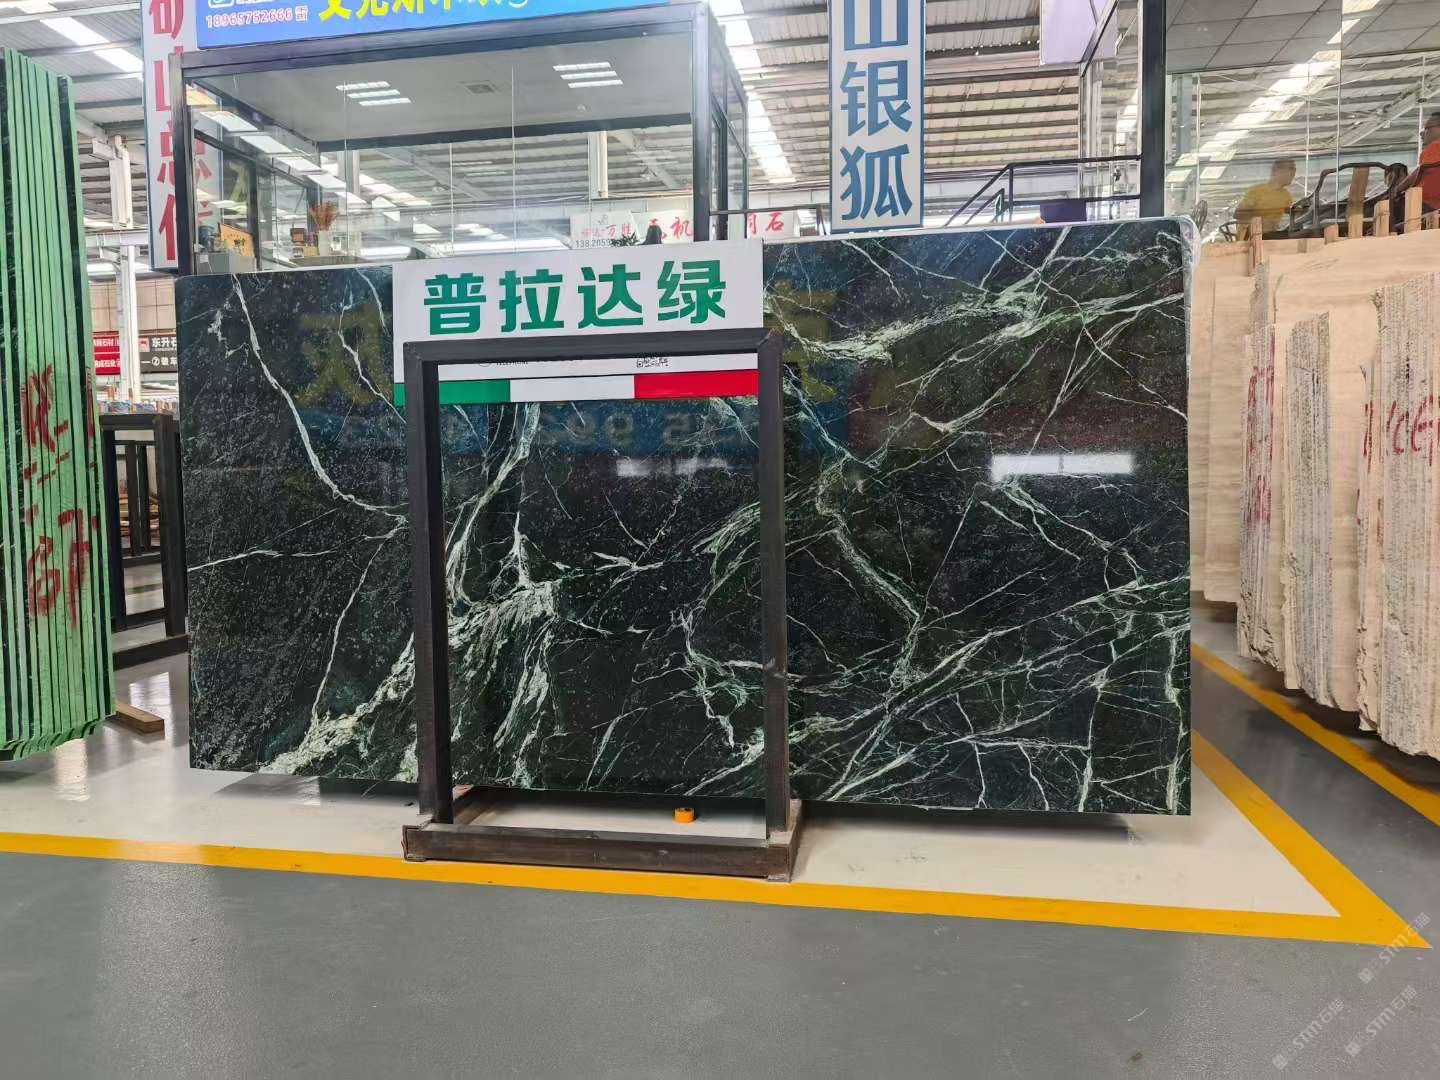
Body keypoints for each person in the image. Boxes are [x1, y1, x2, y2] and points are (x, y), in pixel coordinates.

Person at [1236, 159, 1297, 235]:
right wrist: (1261, 222)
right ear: (1276, 171)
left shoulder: (1286, 196)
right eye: (1291, 168)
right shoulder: (1257, 190)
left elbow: (1292, 214)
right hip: (1250, 237)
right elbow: (1238, 214)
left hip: (1270, 236)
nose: (1294, 173)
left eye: (1294, 169)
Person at [1401, 111, 1440, 212]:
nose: (1421, 133)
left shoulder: (1435, 146)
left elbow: (1419, 172)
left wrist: (1398, 188)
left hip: (1427, 205)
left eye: (1427, 128)